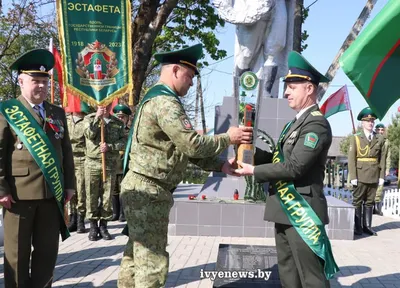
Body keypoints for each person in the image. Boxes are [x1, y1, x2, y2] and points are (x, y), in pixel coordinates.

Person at [117, 43, 253, 288]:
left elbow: (180, 148)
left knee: (135, 257)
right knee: (152, 264)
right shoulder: (166, 103)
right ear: (176, 71)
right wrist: (228, 138)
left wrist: (221, 165)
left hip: (145, 187)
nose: (191, 83)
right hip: (149, 190)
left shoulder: (157, 98)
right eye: (189, 76)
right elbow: (191, 144)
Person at [234, 51, 338, 287]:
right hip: (284, 208)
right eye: (286, 86)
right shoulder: (295, 123)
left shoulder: (316, 124)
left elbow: (295, 167)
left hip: (303, 211)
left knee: (311, 279)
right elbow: (276, 158)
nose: (287, 92)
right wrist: (247, 151)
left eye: (292, 86)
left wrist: (253, 171)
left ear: (309, 89)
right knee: (288, 275)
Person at [0, 49, 76, 287]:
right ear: (21, 81)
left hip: (51, 195)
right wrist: (1, 189)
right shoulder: (8, 111)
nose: (41, 87)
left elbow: (66, 151)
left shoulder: (57, 113)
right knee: (17, 256)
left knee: (47, 254)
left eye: (45, 82)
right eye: (36, 81)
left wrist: (70, 186)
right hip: (18, 196)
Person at [83, 103, 127, 241]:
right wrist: (97, 118)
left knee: (107, 196)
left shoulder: (117, 122)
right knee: (91, 194)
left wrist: (110, 146)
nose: (105, 107)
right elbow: (89, 134)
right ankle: (93, 226)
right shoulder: (89, 119)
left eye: (107, 104)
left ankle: (103, 225)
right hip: (93, 162)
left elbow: (124, 141)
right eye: (102, 105)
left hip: (110, 164)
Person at [347, 108, 385, 236]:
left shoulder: (379, 139)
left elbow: (382, 158)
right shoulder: (356, 138)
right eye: (368, 121)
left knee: (370, 201)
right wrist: (353, 176)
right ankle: (357, 227)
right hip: (360, 173)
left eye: (372, 121)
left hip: (374, 173)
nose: (370, 123)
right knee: (357, 201)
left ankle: (367, 226)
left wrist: (381, 176)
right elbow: (351, 158)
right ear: (362, 123)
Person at [66, 107, 89, 232]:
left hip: (82, 159)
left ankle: (81, 219)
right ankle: (72, 218)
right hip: (68, 159)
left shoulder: (87, 120)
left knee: (81, 190)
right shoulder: (65, 120)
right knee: (70, 189)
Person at [111, 103, 132, 222]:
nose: (120, 119)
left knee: (123, 190)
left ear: (127, 118)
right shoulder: (110, 131)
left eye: (122, 117)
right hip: (113, 163)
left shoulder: (130, 132)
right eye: (118, 117)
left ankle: (123, 213)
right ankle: (115, 212)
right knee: (114, 190)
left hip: (125, 164)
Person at [374, 123, 390, 215]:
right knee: (371, 186)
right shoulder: (373, 139)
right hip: (373, 166)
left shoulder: (386, 141)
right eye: (378, 130)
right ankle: (370, 206)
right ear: (376, 130)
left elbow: (388, 156)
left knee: (380, 186)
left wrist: (387, 168)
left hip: (382, 166)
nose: (380, 131)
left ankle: (376, 206)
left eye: (382, 130)